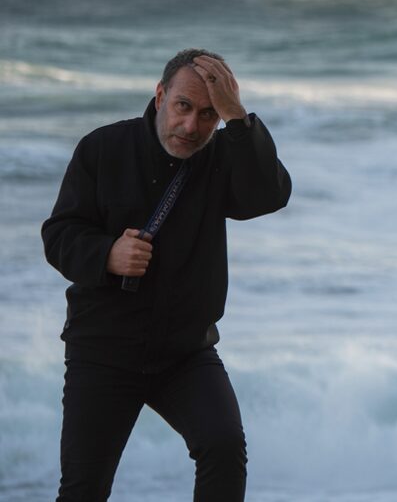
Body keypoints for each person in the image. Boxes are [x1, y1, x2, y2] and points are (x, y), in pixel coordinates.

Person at [42, 49, 292, 501]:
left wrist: (239, 120)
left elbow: (268, 194)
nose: (192, 126)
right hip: (104, 347)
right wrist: (107, 254)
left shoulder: (220, 157)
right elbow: (58, 234)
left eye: (208, 114)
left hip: (184, 351)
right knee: (84, 489)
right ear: (160, 96)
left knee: (223, 447)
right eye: (183, 106)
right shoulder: (103, 148)